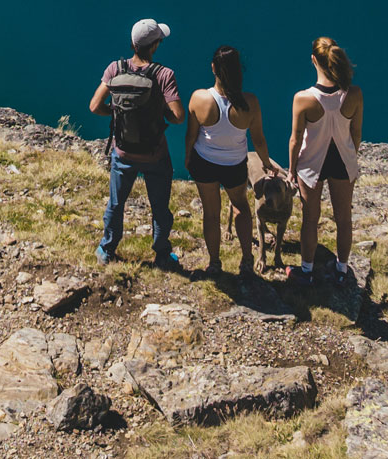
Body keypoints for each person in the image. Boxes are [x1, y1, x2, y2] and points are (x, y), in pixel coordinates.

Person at [89, 18, 185, 269]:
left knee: (116, 203)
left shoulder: (115, 69)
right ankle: (162, 253)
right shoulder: (164, 75)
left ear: (133, 44)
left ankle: (107, 248)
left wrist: (117, 111)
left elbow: (94, 106)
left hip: (123, 151)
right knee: (159, 206)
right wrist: (156, 111)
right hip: (155, 153)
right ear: (153, 45)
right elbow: (178, 117)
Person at [183, 45, 276, 278]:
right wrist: (266, 163)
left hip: (204, 162)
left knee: (211, 213)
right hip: (234, 165)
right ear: (238, 71)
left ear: (213, 68)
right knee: (241, 207)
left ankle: (214, 263)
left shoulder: (199, 98)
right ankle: (246, 260)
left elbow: (191, 135)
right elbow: (259, 140)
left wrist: (187, 157)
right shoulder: (250, 102)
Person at [285, 36, 364, 283]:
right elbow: (356, 133)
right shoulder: (354, 94)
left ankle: (306, 271)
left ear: (313, 60)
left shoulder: (303, 98)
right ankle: (341, 270)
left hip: (311, 164)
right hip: (343, 161)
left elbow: (295, 140)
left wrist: (291, 171)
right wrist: (352, 156)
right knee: (343, 218)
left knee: (310, 218)